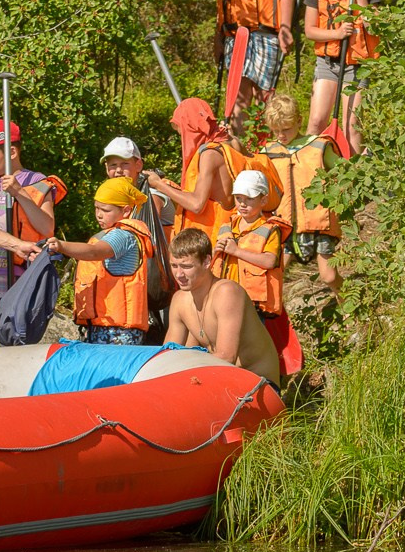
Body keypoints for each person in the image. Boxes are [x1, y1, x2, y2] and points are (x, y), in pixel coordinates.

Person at [0, 117, 64, 329]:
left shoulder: (36, 182)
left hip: (15, 274)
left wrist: (19, 193)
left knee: (10, 330)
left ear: (12, 152)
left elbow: (47, 227)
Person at [164, 227, 286, 384]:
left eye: (187, 266)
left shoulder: (226, 292)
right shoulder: (179, 300)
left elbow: (226, 357)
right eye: (174, 266)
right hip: (221, 378)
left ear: (207, 261)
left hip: (259, 383)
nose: (179, 274)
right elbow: (167, 354)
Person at [44, 178, 158, 344]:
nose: (98, 214)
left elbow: (94, 252)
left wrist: (61, 246)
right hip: (105, 326)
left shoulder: (123, 236)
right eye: (96, 208)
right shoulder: (115, 233)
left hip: (119, 332)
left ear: (126, 210)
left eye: (105, 210)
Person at [260, 91, 343, 293]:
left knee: (329, 276)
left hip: (319, 224)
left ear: (299, 121)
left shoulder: (318, 147)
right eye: (275, 130)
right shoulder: (267, 153)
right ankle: (272, 321)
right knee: (274, 275)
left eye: (286, 129)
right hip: (284, 227)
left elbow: (344, 173)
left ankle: (351, 307)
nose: (281, 136)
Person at [302, 0, 380, 143]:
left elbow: (376, 27)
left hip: (356, 66)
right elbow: (310, 31)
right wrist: (337, 33)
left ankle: (352, 171)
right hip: (327, 63)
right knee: (316, 121)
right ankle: (309, 167)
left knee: (351, 126)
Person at [100, 134, 177, 334]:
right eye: (112, 165)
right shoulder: (112, 199)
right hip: (132, 287)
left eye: (124, 164)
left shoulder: (152, 195)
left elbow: (143, 229)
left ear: (139, 165)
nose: (117, 170)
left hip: (159, 283)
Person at [146, 96, 248, 243]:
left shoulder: (209, 154)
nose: (181, 138)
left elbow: (197, 205)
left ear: (190, 128)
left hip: (213, 236)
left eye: (182, 133)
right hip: (233, 229)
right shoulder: (232, 141)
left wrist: (158, 184)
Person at [214, 168, 288, 320]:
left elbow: (269, 261)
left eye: (249, 199)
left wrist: (236, 251)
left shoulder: (270, 229)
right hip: (224, 298)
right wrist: (216, 250)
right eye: (239, 198)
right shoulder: (227, 226)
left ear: (263, 201)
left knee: (249, 342)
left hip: (251, 304)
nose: (242, 204)